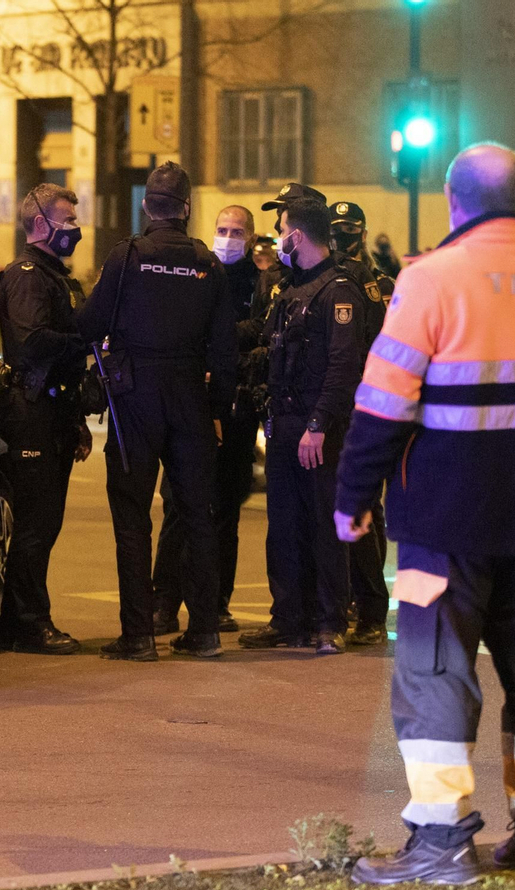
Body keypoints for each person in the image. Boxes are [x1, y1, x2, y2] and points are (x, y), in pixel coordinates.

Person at [338, 143, 515, 885]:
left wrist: (353, 499)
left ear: (453, 203)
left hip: (440, 528)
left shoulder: (428, 281)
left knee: (433, 670)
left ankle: (440, 839)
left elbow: (382, 405)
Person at [77, 162, 237, 662]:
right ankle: (205, 630)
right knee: (196, 515)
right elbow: (225, 351)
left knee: (132, 517)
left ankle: (138, 634)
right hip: (189, 396)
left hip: (135, 398)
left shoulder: (127, 257)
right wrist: (215, 409)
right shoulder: (207, 264)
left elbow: (91, 323)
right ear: (187, 209)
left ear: (148, 206)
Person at [238, 196, 365, 656]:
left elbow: (342, 367)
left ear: (299, 234)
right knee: (284, 526)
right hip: (284, 423)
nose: (277, 233)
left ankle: (331, 621)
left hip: (318, 429)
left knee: (324, 526)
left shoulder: (339, 291)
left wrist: (318, 424)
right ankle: (288, 618)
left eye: (281, 224)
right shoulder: (291, 289)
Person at [0, 183, 95, 655]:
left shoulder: (56, 277)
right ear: (40, 224)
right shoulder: (28, 275)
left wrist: (75, 421)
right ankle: (29, 623)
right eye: (68, 220)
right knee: (36, 522)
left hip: (53, 410)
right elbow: (32, 342)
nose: (75, 229)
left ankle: (23, 618)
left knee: (45, 521)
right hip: (32, 411)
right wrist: (87, 343)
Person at [151, 204, 261, 636]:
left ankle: (216, 604)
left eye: (236, 231)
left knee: (226, 510)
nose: (228, 236)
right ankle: (164, 602)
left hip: (236, 409)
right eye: (222, 229)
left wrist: (222, 338)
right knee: (179, 504)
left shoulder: (262, 281)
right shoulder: (197, 271)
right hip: (194, 405)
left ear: (251, 238)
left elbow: (263, 329)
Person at [330, 201, 393, 647]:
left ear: (362, 233)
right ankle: (350, 598)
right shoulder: (325, 282)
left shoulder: (383, 286)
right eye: (335, 230)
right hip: (336, 407)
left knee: (365, 510)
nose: (342, 238)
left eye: (350, 230)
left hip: (370, 410)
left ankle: (371, 608)